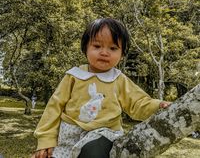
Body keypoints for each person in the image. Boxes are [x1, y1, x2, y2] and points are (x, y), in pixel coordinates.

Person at [32, 18, 170, 158]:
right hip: (69, 135)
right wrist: (45, 139)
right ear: (85, 48)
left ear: (122, 54)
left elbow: (138, 103)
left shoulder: (119, 79)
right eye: (97, 46)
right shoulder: (74, 76)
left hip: (103, 133)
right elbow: (54, 107)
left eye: (113, 48)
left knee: (93, 152)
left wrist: (157, 106)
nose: (104, 52)